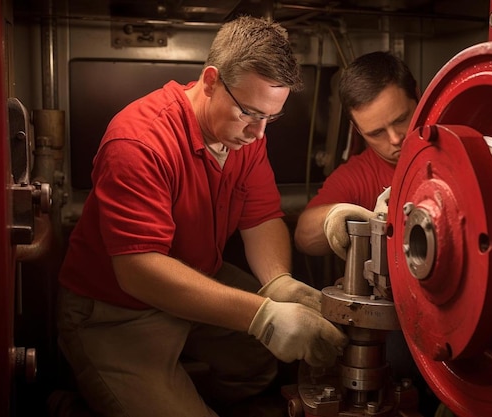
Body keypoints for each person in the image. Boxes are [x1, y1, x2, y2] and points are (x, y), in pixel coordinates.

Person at [56, 15, 348, 417]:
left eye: (271, 117)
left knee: (261, 363)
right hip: (115, 310)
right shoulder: (139, 142)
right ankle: (93, 395)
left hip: (198, 277)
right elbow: (139, 270)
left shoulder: (246, 137)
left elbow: (261, 217)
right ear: (210, 81)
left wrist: (278, 283)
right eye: (249, 112)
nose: (259, 133)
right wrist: (263, 316)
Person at [294, 50, 420, 259]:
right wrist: (340, 215)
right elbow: (304, 238)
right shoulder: (358, 175)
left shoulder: (458, 144)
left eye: (401, 119)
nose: (395, 139)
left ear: (417, 94)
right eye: (377, 133)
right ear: (358, 130)